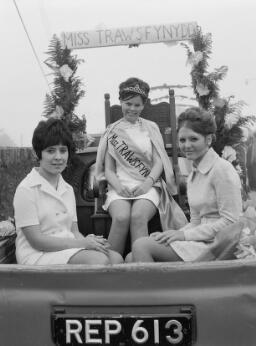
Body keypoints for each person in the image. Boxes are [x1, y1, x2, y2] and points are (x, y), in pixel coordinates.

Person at [132, 107, 243, 262]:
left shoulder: (222, 170)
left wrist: (183, 235)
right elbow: (195, 222)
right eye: (182, 140)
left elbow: (231, 223)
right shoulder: (192, 175)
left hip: (219, 245)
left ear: (209, 139)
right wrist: (171, 235)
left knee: (141, 246)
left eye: (193, 139)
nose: (186, 145)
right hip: (200, 240)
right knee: (132, 256)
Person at [95, 77, 187, 255]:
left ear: (143, 105)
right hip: (119, 186)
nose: (132, 109)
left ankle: (141, 265)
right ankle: (112, 267)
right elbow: (108, 169)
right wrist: (119, 187)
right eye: (128, 103)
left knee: (138, 217)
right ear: (121, 102)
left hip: (148, 184)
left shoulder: (151, 127)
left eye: (137, 105)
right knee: (121, 217)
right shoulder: (112, 131)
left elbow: (159, 160)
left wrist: (147, 183)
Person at [13, 118, 123, 265]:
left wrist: (89, 242)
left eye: (63, 150)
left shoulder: (67, 189)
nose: (58, 157)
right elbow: (37, 241)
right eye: (50, 151)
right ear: (38, 154)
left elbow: (74, 231)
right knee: (99, 260)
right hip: (37, 255)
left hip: (65, 249)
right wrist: (83, 244)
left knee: (116, 258)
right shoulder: (26, 190)